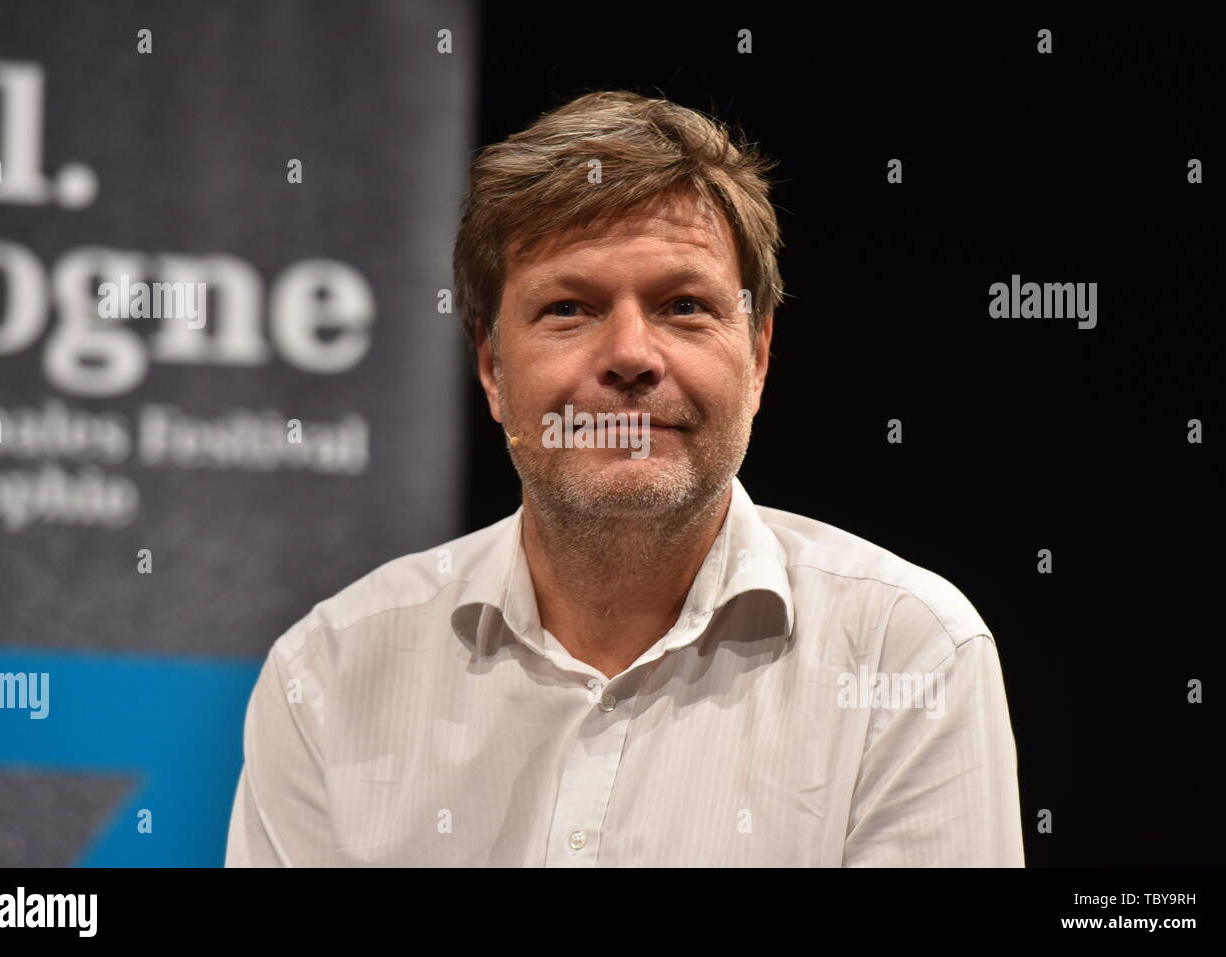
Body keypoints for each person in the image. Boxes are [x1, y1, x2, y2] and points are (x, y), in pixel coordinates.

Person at [225, 90, 1024, 867]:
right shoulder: (327, 673)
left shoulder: (908, 654)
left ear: (758, 358)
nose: (632, 355)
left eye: (684, 306)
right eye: (569, 308)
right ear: (492, 367)